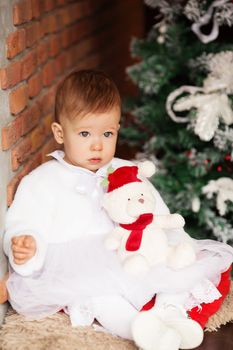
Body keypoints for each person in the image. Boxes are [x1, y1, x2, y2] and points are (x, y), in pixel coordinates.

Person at [1, 70, 233, 350]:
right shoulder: (43, 180)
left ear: (117, 130)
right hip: (83, 267)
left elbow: (155, 212)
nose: (97, 145)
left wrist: (176, 248)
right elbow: (26, 220)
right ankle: (139, 329)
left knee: (183, 274)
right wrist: (27, 242)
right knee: (97, 298)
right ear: (60, 133)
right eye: (85, 133)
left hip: (133, 255)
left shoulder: (126, 171)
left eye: (107, 133)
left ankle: (169, 313)